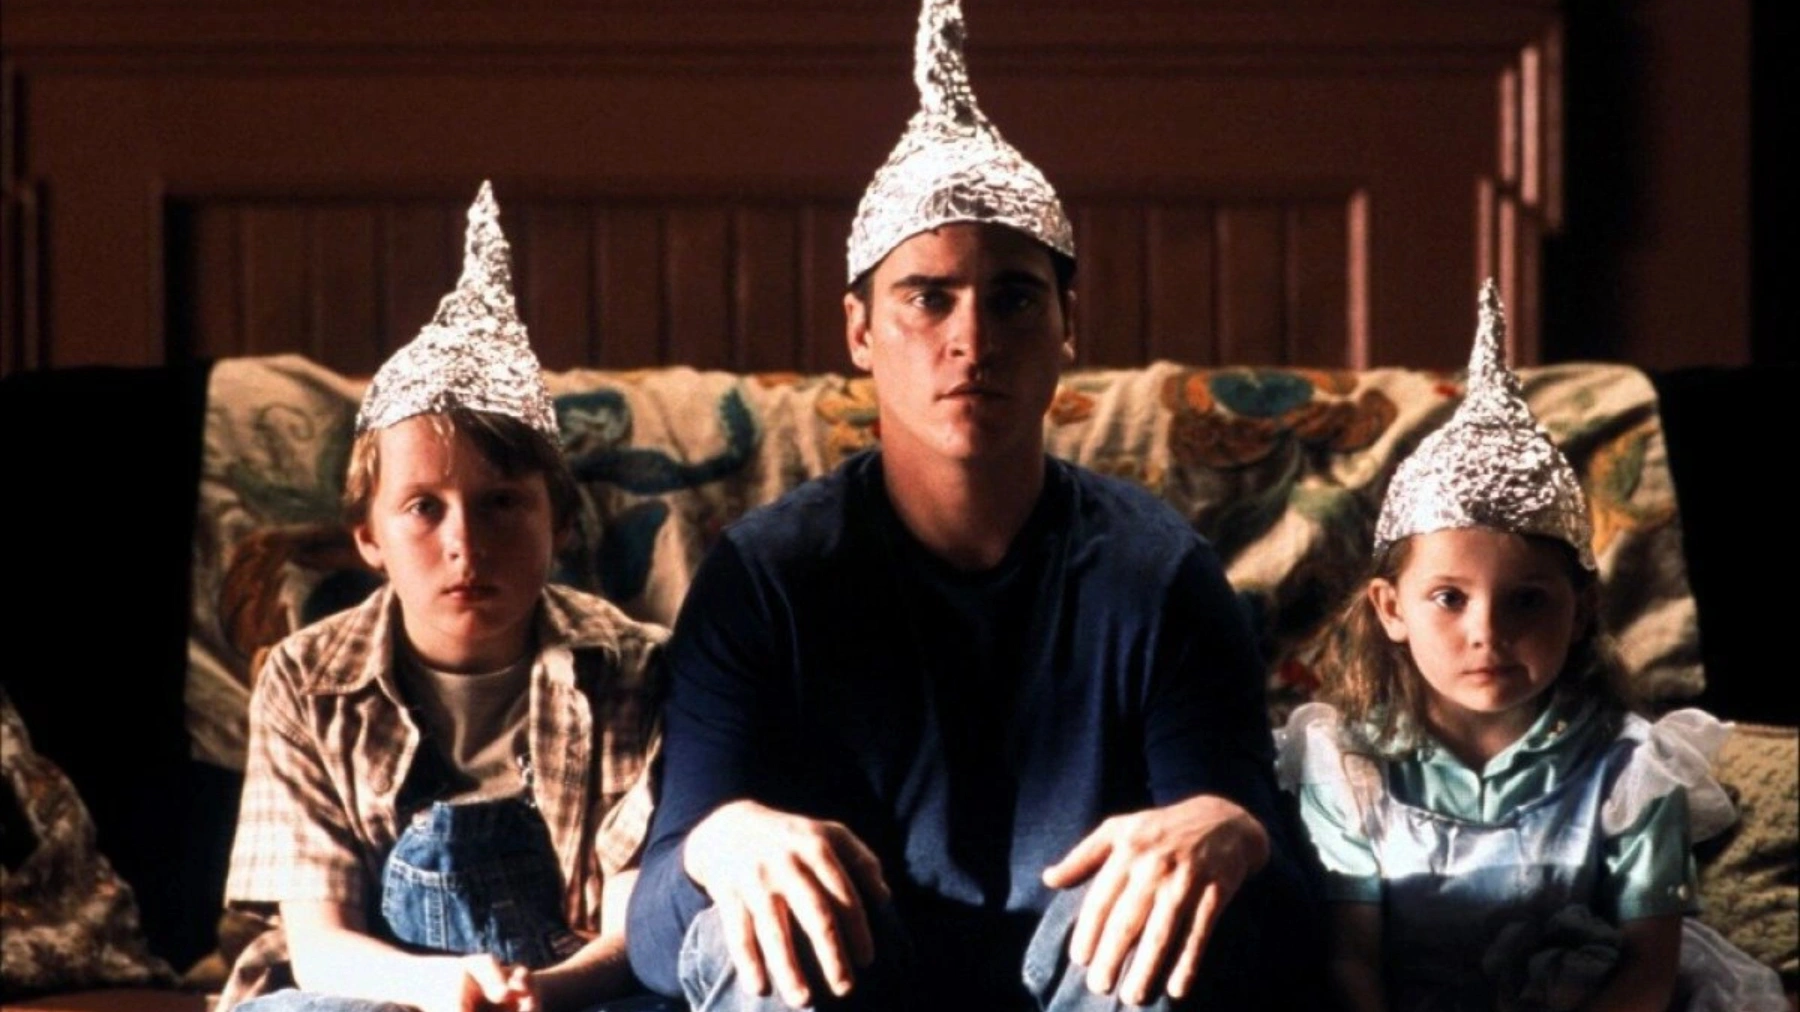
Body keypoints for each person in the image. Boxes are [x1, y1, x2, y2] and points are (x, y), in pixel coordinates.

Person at [625, 2, 1323, 1009]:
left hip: (1088, 982)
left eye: (1013, 298)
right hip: (854, 982)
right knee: (749, 926)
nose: (972, 339)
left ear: (1067, 324)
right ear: (859, 330)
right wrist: (718, 842)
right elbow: (657, 938)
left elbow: (1294, 925)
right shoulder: (766, 576)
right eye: (927, 297)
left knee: (1182, 914)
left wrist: (1234, 830)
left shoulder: (1158, 573)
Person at [219, 182, 676, 1012]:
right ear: (369, 538)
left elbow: (628, 929)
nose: (467, 543)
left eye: (501, 503)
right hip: (375, 986)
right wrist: (446, 987)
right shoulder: (304, 680)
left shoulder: (634, 668)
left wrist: (536, 994)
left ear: (560, 522)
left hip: (566, 988)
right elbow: (321, 944)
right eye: (424, 508)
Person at [1277, 280, 1789, 1012]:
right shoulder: (1347, 767)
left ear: (1580, 613)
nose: (1488, 630)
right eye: (1449, 598)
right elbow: (1351, 960)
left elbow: (1647, 973)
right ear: (1391, 609)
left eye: (1527, 600)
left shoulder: (1632, 770)